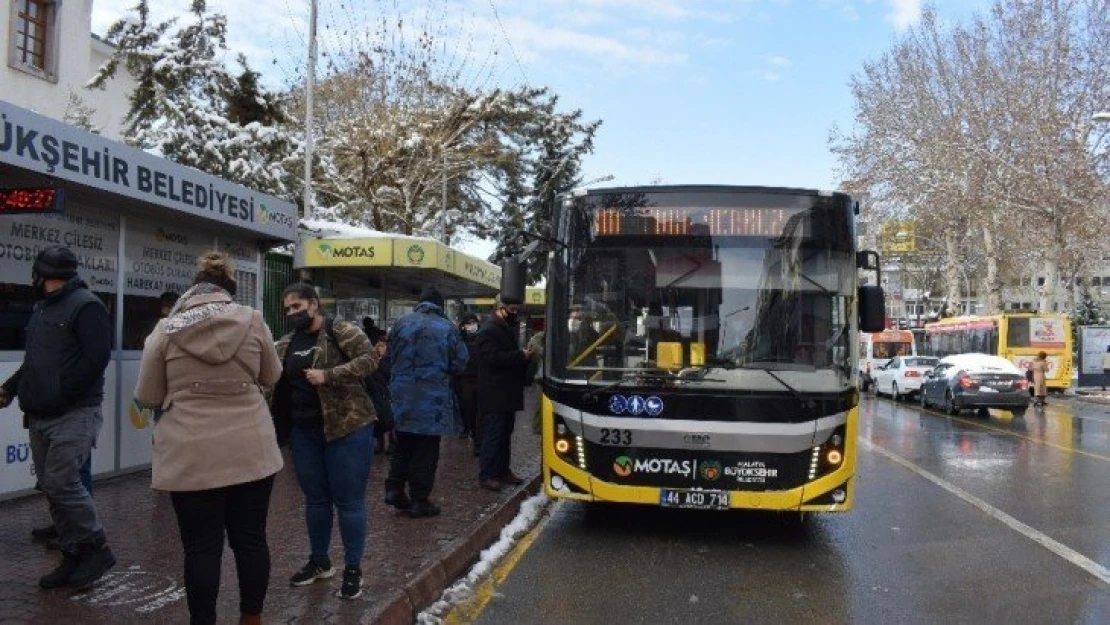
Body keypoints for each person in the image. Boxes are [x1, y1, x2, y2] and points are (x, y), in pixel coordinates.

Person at [134, 252, 283, 625]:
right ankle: (252, 619)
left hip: (190, 452)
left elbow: (149, 395)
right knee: (250, 540)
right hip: (252, 447)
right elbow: (271, 375)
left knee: (201, 549)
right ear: (228, 289)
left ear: (193, 289)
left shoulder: (165, 330)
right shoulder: (252, 320)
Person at [0, 246, 115, 590]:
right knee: (52, 487)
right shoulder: (41, 309)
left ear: (42, 274)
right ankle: (73, 555)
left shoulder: (87, 305)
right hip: (40, 414)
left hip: (73, 414)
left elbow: (96, 359)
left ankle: (95, 548)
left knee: (63, 482)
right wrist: (10, 388)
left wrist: (61, 393)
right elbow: (35, 363)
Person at [270, 282, 379, 599]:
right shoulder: (287, 343)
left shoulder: (339, 330)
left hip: (347, 429)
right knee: (316, 501)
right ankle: (320, 561)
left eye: (298, 307)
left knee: (349, 501)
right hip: (304, 433)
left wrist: (329, 374)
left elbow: (370, 360)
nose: (293, 314)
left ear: (313, 304)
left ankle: (353, 569)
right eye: (288, 309)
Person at [385, 287, 469, 518]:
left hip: (402, 396)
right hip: (432, 398)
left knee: (403, 443)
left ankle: (394, 488)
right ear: (439, 306)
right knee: (426, 448)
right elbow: (461, 363)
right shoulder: (448, 328)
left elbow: (387, 357)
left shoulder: (401, 323)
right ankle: (419, 500)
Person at [475, 295, 531, 492]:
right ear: (500, 308)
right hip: (495, 393)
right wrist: (520, 356)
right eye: (512, 309)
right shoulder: (489, 330)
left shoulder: (503, 328)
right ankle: (487, 474)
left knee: (505, 434)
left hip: (506, 393)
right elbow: (493, 359)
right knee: (493, 434)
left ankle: (502, 470)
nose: (514, 313)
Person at [364, 323, 395, 455]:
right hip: (375, 393)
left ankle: (392, 444)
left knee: (389, 419)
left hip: (387, 393)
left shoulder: (388, 360)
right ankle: (379, 444)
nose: (380, 348)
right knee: (378, 420)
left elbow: (389, 374)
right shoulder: (372, 360)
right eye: (379, 345)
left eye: (383, 346)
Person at [455, 312, 481, 449]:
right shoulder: (459, 339)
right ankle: (468, 429)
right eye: (468, 323)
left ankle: (477, 438)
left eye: (473, 322)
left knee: (478, 410)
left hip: (479, 377)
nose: (471, 326)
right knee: (467, 407)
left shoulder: (482, 337)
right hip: (464, 378)